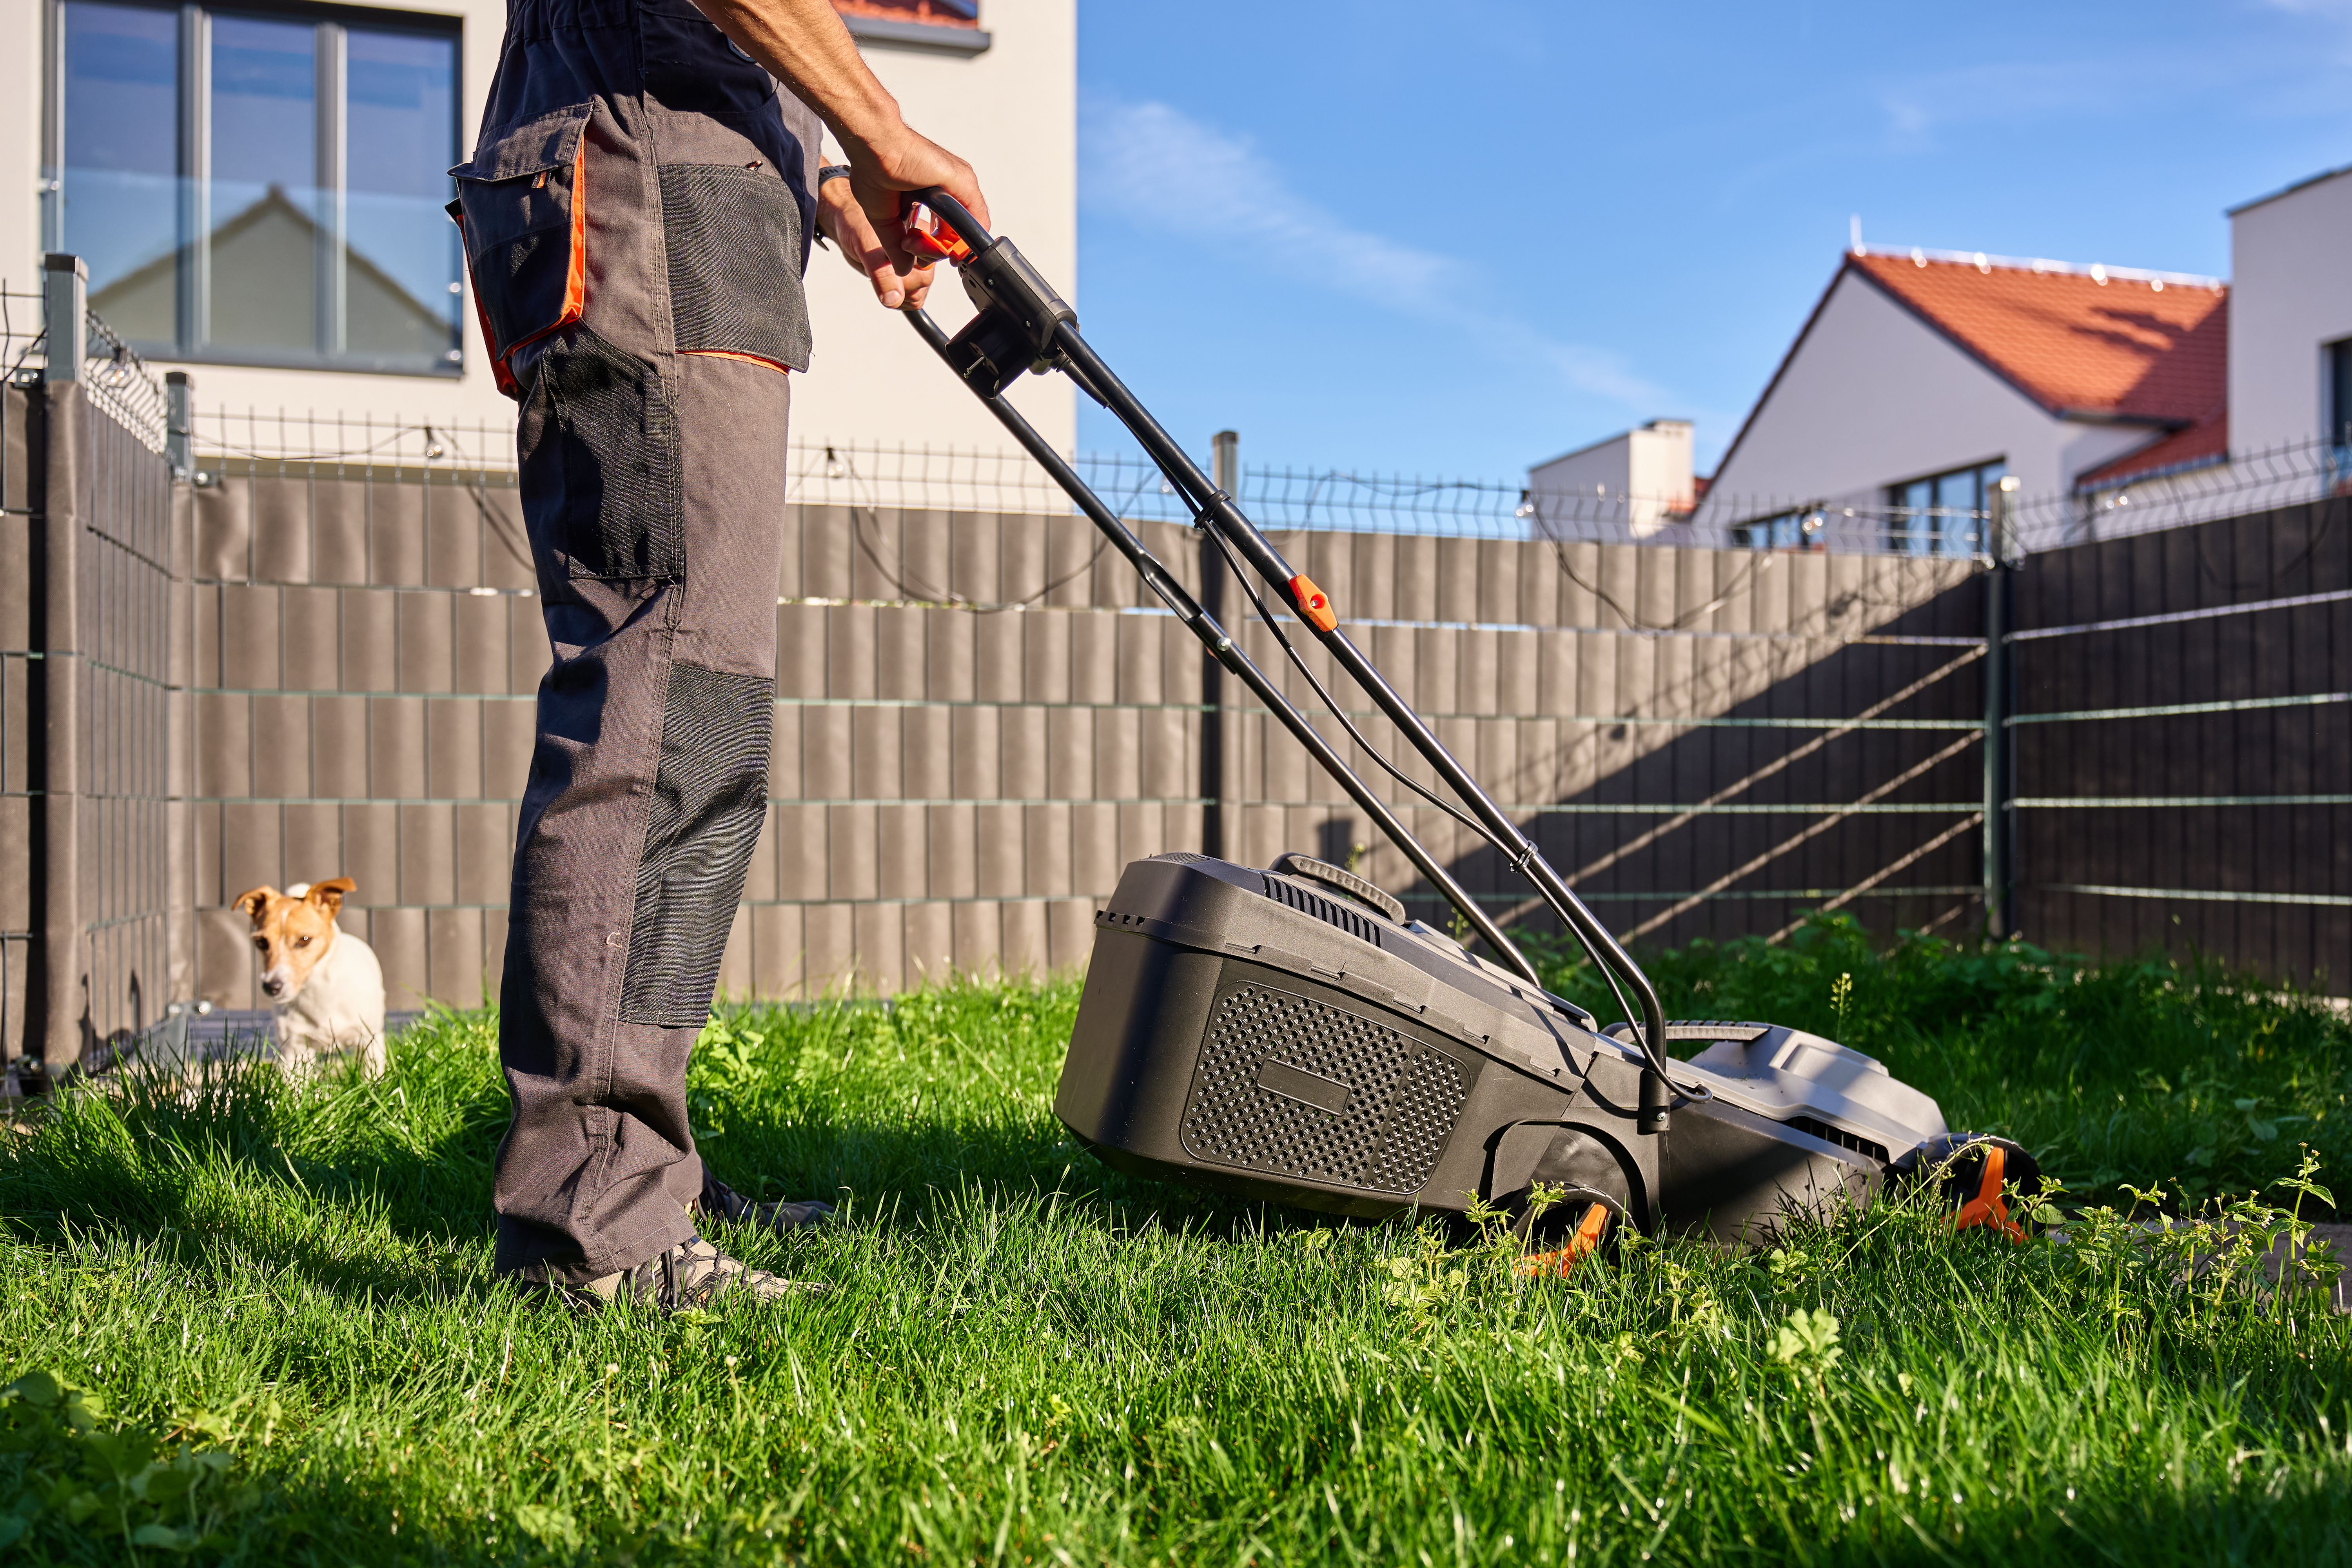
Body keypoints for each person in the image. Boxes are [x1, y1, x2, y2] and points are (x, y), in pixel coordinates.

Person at [450, 0, 989, 1312]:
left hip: (643, 173)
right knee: (670, 708)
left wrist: (831, 186)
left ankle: (628, 1170)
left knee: (684, 708)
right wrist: (882, 123)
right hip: (652, 192)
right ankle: (602, 1223)